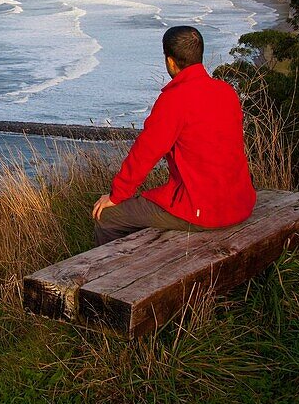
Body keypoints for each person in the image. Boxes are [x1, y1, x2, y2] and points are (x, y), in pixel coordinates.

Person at [92, 25, 256, 246]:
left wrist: (116, 196)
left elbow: (145, 154)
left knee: (107, 218)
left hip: (202, 210)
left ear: (170, 61)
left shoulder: (175, 100)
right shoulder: (226, 92)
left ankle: (111, 276)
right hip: (240, 203)